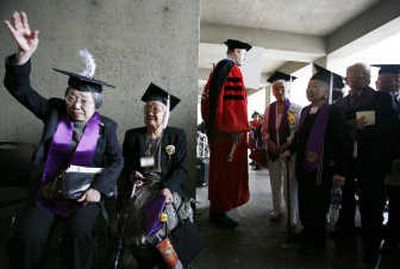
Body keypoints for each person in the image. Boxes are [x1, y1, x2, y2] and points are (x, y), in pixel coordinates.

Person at [3, 11, 123, 269]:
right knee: (27, 237)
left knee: (79, 236)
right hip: (47, 191)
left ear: (96, 104)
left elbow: (117, 162)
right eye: (71, 97)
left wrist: (98, 190)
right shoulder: (54, 112)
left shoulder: (107, 127)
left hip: (83, 197)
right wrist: (23, 57)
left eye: (84, 101)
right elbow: (21, 90)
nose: (76, 105)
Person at [119, 83, 193, 268]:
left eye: (156, 109)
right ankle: (146, 260)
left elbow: (181, 168)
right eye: (147, 109)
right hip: (142, 186)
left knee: (165, 218)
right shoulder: (133, 136)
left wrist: (168, 188)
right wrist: (131, 173)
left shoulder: (176, 136)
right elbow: (126, 163)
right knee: (137, 218)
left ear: (166, 114)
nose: (150, 113)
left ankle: (170, 261)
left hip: (166, 186)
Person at [335, 63, 398, 263]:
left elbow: (390, 130)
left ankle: (371, 247)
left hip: (372, 162)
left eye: (357, 75)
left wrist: (360, 131)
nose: (352, 79)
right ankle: (346, 238)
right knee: (345, 201)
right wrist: (348, 127)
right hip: (347, 162)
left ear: (368, 78)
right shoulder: (341, 103)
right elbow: (337, 130)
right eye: (349, 75)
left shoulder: (381, 98)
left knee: (371, 206)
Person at [283, 69, 346, 252]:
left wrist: (340, 171)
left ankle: (318, 238)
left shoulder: (333, 112)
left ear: (326, 92)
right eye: (309, 87)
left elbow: (341, 142)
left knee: (318, 202)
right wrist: (290, 149)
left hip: (322, 167)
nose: (310, 90)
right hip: (304, 166)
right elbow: (299, 137)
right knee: (304, 198)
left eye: (315, 87)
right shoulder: (305, 111)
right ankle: (307, 230)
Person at [201, 39, 251, 227]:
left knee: (218, 171)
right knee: (225, 172)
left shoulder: (217, 70)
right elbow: (233, 104)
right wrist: (237, 128)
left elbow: (206, 102)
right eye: (244, 54)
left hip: (218, 131)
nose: (244, 59)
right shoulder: (232, 70)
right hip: (230, 134)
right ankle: (219, 212)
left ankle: (217, 208)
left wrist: (211, 126)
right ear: (236, 51)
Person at [261, 72, 301, 226]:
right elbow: (264, 130)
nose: (279, 92)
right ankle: (277, 209)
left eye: (282, 88)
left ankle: (292, 216)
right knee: (275, 182)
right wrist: (268, 141)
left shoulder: (295, 108)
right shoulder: (269, 109)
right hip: (272, 151)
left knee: (290, 185)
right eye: (276, 89)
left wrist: (286, 144)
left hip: (288, 152)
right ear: (272, 92)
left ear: (287, 89)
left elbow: (296, 131)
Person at [373, 64, 400, 251]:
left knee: (396, 202)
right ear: (378, 83)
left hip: (396, 162)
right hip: (377, 161)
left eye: (397, 81)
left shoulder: (397, 102)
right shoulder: (372, 102)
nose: (394, 84)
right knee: (377, 201)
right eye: (389, 81)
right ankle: (380, 235)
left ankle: (393, 236)